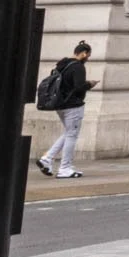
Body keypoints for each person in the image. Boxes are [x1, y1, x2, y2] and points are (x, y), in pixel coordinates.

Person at [37, 42, 95, 179]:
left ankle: (47, 158)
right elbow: (79, 86)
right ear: (84, 53)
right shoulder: (78, 67)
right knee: (72, 136)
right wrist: (90, 84)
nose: (88, 58)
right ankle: (65, 168)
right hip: (73, 105)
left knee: (69, 132)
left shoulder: (62, 65)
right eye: (88, 55)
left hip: (60, 105)